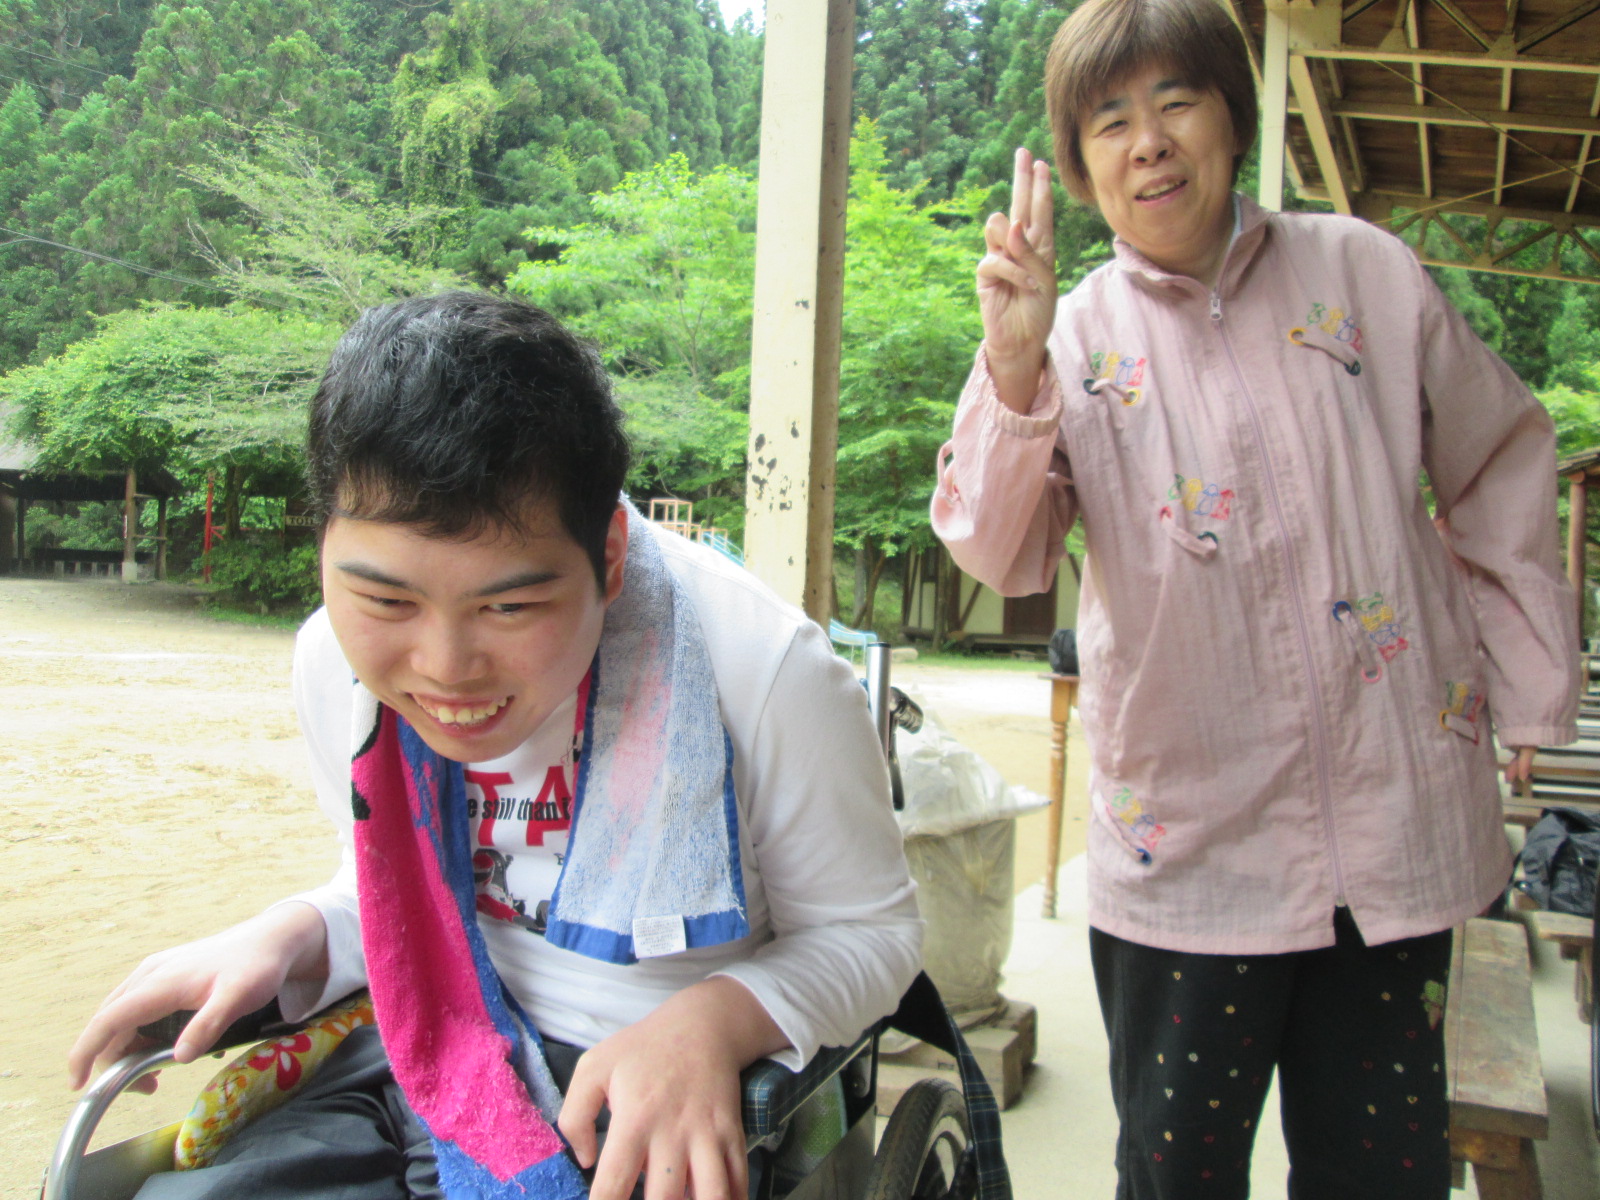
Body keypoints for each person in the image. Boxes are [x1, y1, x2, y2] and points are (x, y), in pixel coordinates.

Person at [68, 292, 922, 1200]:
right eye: (387, 600)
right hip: (425, 1043)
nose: (444, 670)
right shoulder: (335, 665)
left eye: (509, 605)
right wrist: (298, 932)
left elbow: (871, 934)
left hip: (644, 1086)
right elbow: (397, 895)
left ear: (610, 558)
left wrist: (709, 1024)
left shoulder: (761, 669)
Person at [932, 1, 1578, 1197]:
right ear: (1079, 166)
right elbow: (994, 550)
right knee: (1175, 1175)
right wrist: (1011, 364)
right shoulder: (1070, 339)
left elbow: (1499, 458)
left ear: (1231, 116)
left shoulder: (1362, 271)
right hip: (1189, 856)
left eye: (1176, 101)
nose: (1148, 141)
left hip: (1394, 834)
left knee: (1379, 1177)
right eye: (1109, 121)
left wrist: (1530, 681)